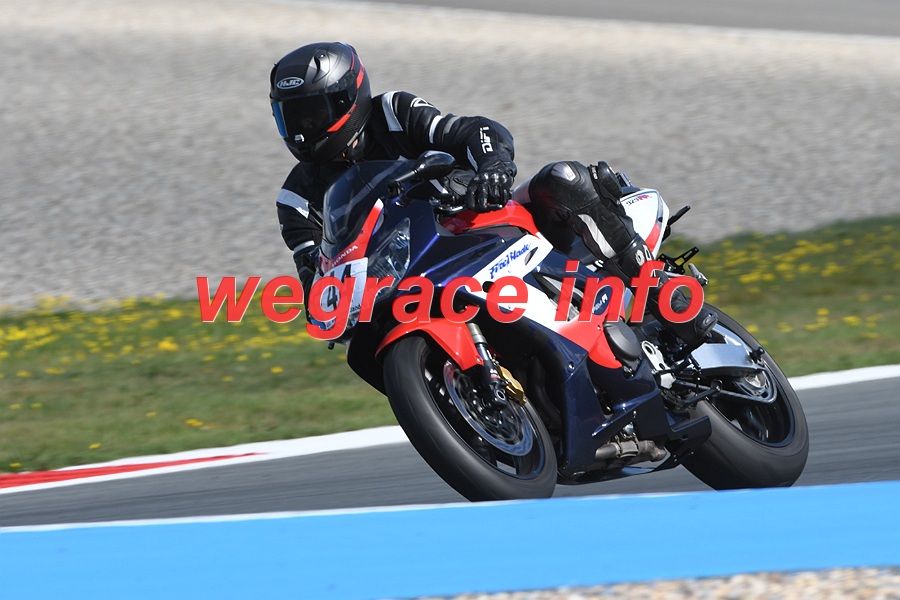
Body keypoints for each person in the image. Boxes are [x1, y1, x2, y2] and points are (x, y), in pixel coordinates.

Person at [269, 41, 716, 349]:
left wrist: (493, 167)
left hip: (476, 221)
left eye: (311, 114)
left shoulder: (393, 112)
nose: (302, 130)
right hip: (409, 276)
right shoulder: (296, 197)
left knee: (560, 178)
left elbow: (470, 131)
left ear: (347, 98)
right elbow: (314, 273)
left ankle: (656, 285)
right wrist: (322, 301)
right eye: (291, 118)